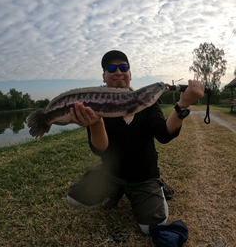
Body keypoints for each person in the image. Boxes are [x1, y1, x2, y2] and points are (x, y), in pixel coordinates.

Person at [67, 50, 204, 238]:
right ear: (104, 76)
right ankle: (117, 190)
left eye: (124, 67)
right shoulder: (95, 104)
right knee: (74, 199)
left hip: (143, 177)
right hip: (111, 173)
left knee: (151, 227)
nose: (118, 72)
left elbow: (164, 135)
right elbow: (101, 149)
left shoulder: (148, 103)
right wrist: (96, 122)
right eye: (111, 68)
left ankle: (155, 187)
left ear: (130, 74)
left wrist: (183, 105)